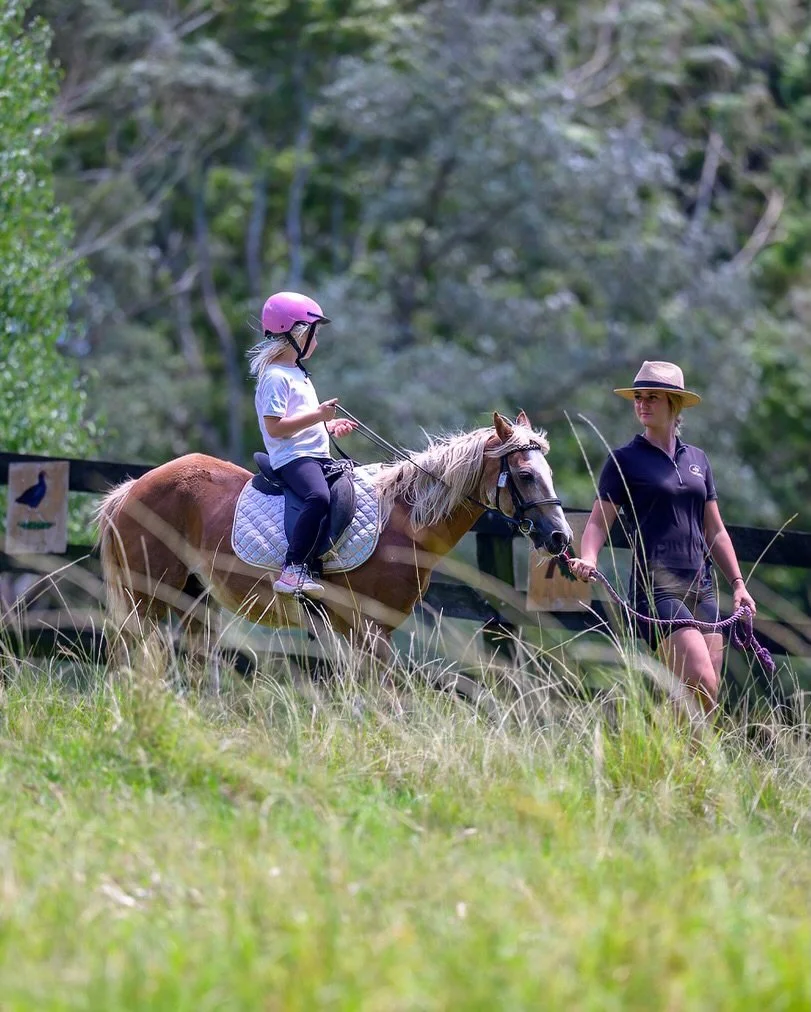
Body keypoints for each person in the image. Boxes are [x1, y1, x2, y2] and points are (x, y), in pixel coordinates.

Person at [567, 360, 757, 712]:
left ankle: (676, 765)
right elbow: (596, 523)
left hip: (702, 587)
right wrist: (589, 557)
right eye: (638, 397)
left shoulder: (697, 459)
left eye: (652, 397)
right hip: (656, 591)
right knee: (704, 682)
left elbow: (715, 530)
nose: (642, 403)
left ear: (675, 403)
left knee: (700, 702)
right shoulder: (624, 460)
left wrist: (739, 583)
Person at [248, 291, 357, 597]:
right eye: (313, 334)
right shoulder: (275, 377)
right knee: (318, 498)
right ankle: (293, 569)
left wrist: (328, 425)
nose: (316, 342)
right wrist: (318, 415)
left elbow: (301, 419)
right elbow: (276, 428)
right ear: (295, 333)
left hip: (313, 454)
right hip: (293, 458)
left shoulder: (297, 374)